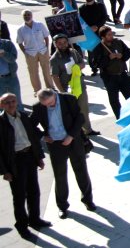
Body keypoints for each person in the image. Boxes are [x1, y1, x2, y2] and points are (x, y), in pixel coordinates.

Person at [30, 88, 95, 220]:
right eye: (46, 105)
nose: (50, 106)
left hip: (72, 141)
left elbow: (79, 118)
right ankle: (62, 206)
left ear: (54, 95)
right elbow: (31, 125)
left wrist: (71, 136)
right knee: (60, 176)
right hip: (55, 144)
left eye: (51, 103)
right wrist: (43, 136)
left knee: (81, 171)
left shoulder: (68, 99)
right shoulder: (38, 107)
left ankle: (88, 199)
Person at [0, 93, 50, 240]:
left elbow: (33, 137)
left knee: (34, 190)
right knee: (19, 195)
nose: (11, 104)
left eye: (13, 101)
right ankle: (22, 225)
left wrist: (39, 157)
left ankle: (35, 219)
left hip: (29, 156)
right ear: (2, 105)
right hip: (15, 161)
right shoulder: (1, 122)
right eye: (7, 102)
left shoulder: (23, 115)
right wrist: (5, 171)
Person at [49, 33, 98, 136]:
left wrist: (77, 67)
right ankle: (75, 132)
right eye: (60, 43)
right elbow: (55, 76)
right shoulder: (54, 59)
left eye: (65, 42)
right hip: (67, 89)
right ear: (55, 45)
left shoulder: (74, 52)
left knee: (84, 108)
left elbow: (83, 64)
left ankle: (87, 130)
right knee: (71, 112)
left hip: (79, 85)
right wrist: (62, 91)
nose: (63, 45)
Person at [93, 26, 130, 119]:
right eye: (109, 35)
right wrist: (108, 58)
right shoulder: (99, 47)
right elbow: (96, 63)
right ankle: (120, 118)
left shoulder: (118, 42)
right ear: (103, 37)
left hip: (122, 74)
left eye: (112, 34)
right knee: (114, 100)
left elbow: (128, 52)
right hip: (110, 78)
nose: (111, 36)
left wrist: (122, 56)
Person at [16, 10, 54, 97]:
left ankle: (50, 88)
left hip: (43, 51)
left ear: (32, 15)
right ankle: (37, 90)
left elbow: (46, 37)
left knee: (47, 70)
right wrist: (25, 53)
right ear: (23, 17)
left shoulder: (39, 25)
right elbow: (19, 42)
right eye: (25, 15)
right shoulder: (21, 29)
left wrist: (47, 48)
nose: (27, 17)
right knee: (33, 72)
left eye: (28, 15)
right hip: (30, 53)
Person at [79, 0, 108, 76]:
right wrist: (89, 29)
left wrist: (97, 26)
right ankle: (94, 68)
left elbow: (104, 17)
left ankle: (103, 66)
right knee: (91, 51)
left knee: (102, 50)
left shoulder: (100, 6)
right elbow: (81, 21)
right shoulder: (81, 8)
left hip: (100, 31)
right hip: (89, 33)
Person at [0, 38, 22, 108]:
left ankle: (21, 117)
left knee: (17, 101)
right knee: (2, 104)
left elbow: (13, 59)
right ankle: (4, 118)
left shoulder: (7, 43)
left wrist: (4, 54)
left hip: (12, 77)